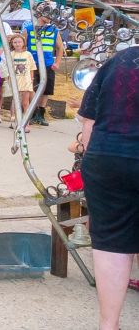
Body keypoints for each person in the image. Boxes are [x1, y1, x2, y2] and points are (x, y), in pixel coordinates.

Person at [74, 47, 139, 330]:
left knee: (111, 242)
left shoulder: (120, 60)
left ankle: (108, 325)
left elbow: (89, 121)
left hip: (108, 157)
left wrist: (89, 162)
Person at [25, 10, 64, 126]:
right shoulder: (28, 29)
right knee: (31, 88)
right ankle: (32, 112)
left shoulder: (54, 30)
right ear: (39, 15)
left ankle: (41, 114)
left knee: (46, 90)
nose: (49, 17)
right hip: (33, 64)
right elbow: (23, 45)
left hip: (47, 64)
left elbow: (60, 48)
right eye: (47, 15)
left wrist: (57, 62)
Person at [5, 33, 36, 132]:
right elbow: (8, 68)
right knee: (15, 101)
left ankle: (26, 123)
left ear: (23, 43)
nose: (17, 44)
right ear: (12, 44)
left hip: (26, 80)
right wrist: (8, 78)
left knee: (25, 102)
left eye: (19, 42)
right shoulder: (11, 54)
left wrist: (31, 79)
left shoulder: (28, 54)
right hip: (15, 80)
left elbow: (32, 68)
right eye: (15, 42)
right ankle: (14, 120)